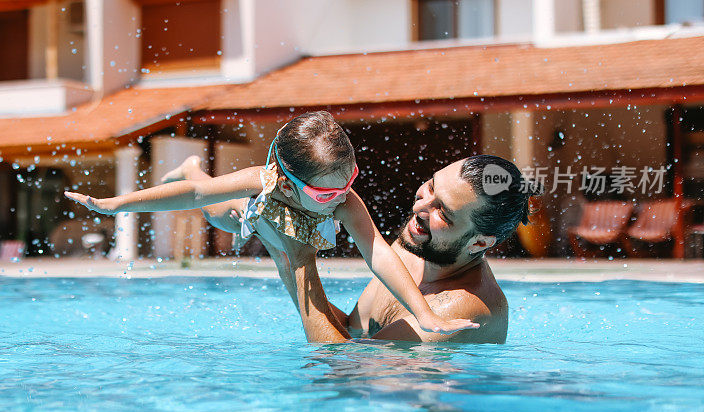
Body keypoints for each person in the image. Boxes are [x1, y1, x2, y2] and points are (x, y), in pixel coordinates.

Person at [64, 111, 478, 336]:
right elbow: (193, 199)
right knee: (211, 204)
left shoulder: (345, 199)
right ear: (285, 179)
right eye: (323, 195)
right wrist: (114, 205)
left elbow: (379, 255)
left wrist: (424, 313)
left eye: (348, 182)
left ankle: (193, 168)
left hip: (294, 234)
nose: (338, 197)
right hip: (245, 214)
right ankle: (192, 167)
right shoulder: (263, 180)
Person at [270, 155, 540, 343]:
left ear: (479, 243)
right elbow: (350, 330)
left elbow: (339, 370)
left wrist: (301, 260)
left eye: (442, 212)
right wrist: (282, 251)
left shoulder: (460, 310)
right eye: (431, 187)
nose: (419, 208)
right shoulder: (419, 245)